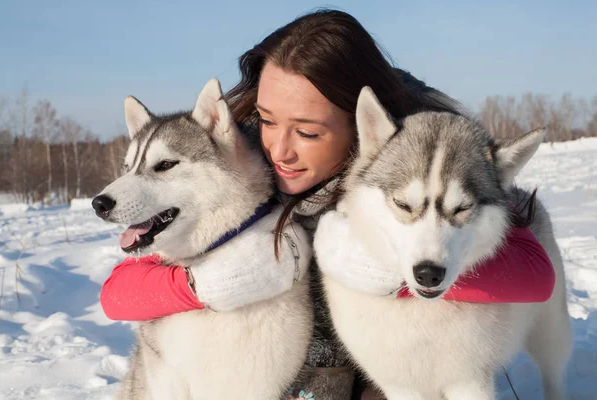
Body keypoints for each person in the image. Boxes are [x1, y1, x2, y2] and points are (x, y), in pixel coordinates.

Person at [100, 9, 555, 400]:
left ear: (362, 126)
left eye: (308, 132)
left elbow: (535, 274)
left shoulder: (427, 157)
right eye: (267, 119)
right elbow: (118, 293)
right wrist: (200, 285)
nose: (279, 149)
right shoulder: (240, 160)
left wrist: (391, 269)